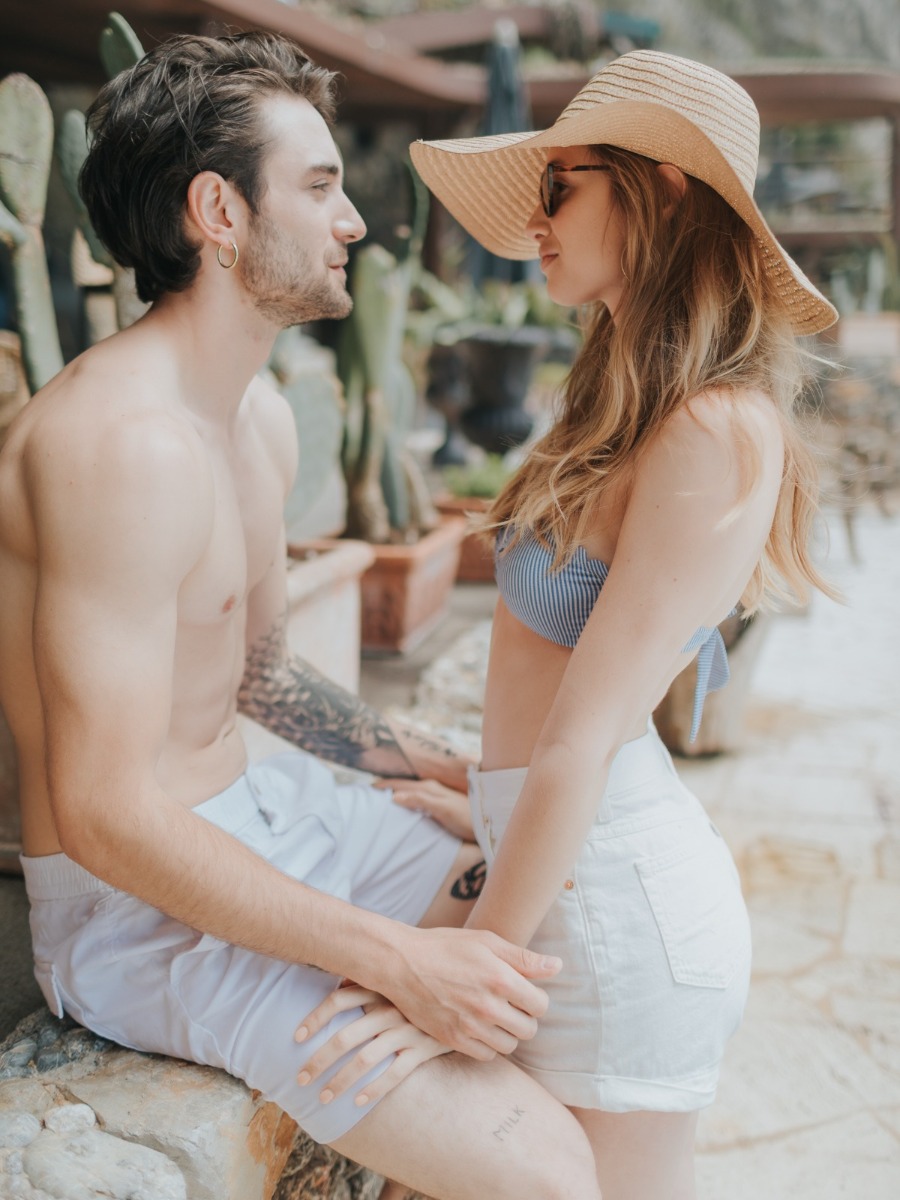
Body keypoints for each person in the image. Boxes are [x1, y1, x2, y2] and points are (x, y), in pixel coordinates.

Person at [0, 31, 604, 1200]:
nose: (355, 225)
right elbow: (102, 809)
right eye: (320, 188)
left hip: (277, 814)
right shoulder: (113, 448)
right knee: (548, 1173)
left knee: (579, 923)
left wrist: (463, 776)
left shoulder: (258, 419)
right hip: (141, 912)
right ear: (219, 212)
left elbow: (264, 676)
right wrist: (396, 960)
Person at [298, 49, 840, 1200]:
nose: (535, 221)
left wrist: (464, 970)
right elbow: (545, 697)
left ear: (666, 191)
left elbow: (587, 735)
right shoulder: (620, 396)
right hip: (562, 875)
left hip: (608, 923)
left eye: (563, 186)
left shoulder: (714, 430)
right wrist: (479, 786)